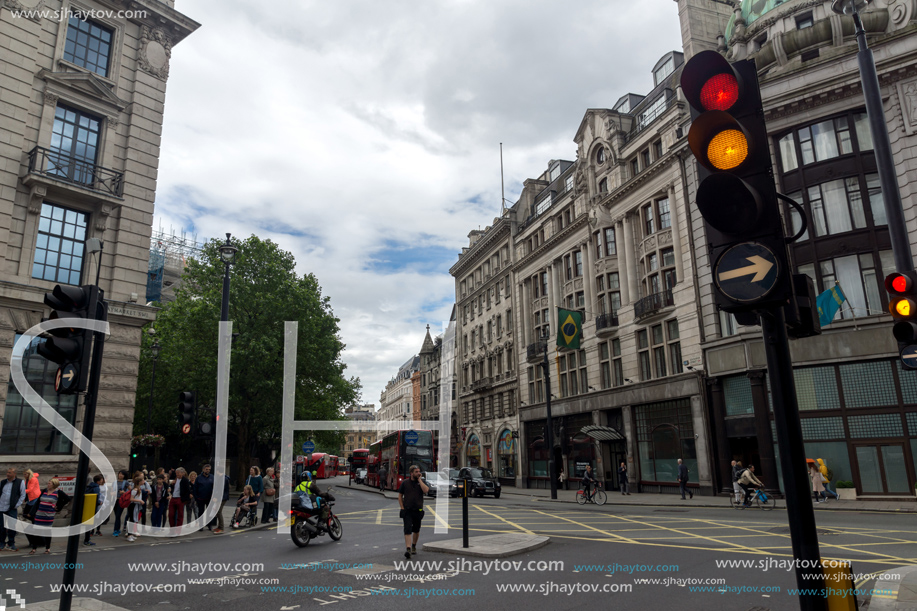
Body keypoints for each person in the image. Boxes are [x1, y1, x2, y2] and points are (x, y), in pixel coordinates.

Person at [398, 465, 429, 559]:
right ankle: (408, 549)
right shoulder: (405, 483)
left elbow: (426, 490)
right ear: (411, 473)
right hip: (407, 510)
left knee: (416, 529)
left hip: (418, 510)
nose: (418, 473)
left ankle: (414, 546)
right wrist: (402, 507)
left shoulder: (421, 483)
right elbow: (400, 496)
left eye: (419, 471)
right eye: (416, 471)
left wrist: (420, 480)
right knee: (407, 529)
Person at [30, 478, 62, 555]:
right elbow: (38, 501)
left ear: (54, 485)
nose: (48, 484)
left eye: (49, 483)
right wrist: (33, 512)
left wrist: (58, 507)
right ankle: (34, 548)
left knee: (47, 532)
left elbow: (66, 499)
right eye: (48, 483)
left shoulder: (58, 492)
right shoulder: (44, 491)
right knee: (36, 532)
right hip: (39, 515)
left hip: (48, 516)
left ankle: (47, 548)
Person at [0, 468, 26, 551]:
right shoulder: (3, 482)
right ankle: (1, 543)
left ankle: (11, 543)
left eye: (9, 473)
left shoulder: (20, 482)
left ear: (14, 473)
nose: (7, 474)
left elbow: (23, 495)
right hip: (1, 507)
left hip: (11, 508)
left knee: (12, 527)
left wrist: (16, 505)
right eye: (7, 472)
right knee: (1, 527)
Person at [194, 464, 215, 531]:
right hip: (200, 498)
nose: (208, 471)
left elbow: (215, 487)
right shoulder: (199, 478)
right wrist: (196, 497)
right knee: (201, 512)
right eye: (206, 469)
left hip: (209, 498)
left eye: (209, 469)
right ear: (203, 470)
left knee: (209, 512)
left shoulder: (212, 477)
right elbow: (195, 488)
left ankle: (209, 525)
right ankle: (201, 525)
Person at [126, 476, 146, 542]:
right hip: (133, 506)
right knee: (132, 520)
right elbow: (131, 499)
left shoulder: (138, 489)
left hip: (136, 506)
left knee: (134, 520)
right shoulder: (135, 490)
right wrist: (140, 501)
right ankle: (129, 535)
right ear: (139, 482)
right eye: (143, 480)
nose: (144, 482)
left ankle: (131, 534)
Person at [112, 470, 131, 536]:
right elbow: (111, 491)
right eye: (119, 474)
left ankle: (115, 530)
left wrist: (124, 493)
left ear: (124, 476)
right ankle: (117, 529)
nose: (120, 475)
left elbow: (131, 491)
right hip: (114, 500)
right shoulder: (114, 482)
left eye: (122, 474)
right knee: (117, 516)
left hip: (121, 501)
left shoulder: (126, 483)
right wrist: (112, 493)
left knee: (118, 515)